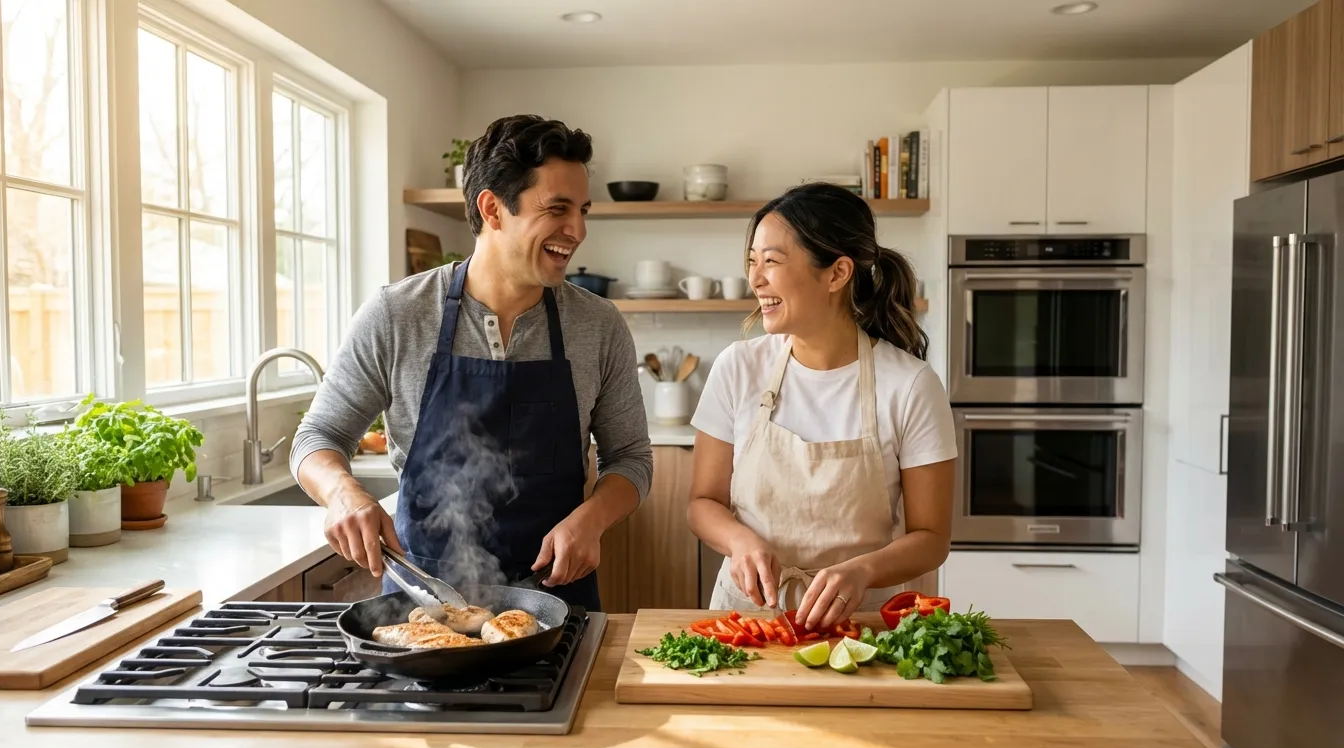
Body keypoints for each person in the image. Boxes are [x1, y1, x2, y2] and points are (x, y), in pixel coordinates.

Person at [291, 115, 653, 611]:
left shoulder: (598, 324)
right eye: (557, 209)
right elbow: (317, 438)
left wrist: (591, 519)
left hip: (556, 602)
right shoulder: (398, 314)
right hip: (426, 603)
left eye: (583, 210)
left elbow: (631, 457)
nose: (578, 230)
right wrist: (343, 493)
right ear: (492, 208)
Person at [687, 182, 956, 631]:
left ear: (837, 273)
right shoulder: (737, 368)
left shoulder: (910, 386)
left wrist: (863, 570)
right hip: (748, 623)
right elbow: (702, 502)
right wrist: (740, 541)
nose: (755, 278)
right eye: (752, 261)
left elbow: (931, 539)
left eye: (771, 261)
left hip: (863, 625)